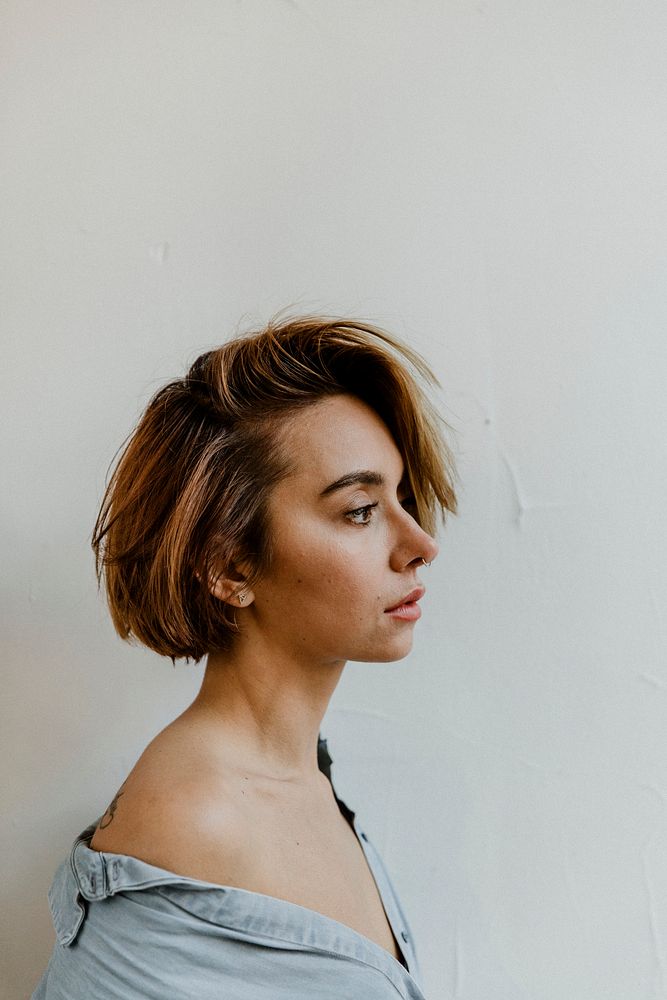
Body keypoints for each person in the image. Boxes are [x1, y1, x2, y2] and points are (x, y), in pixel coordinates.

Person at [32, 315, 458, 1000]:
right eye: (358, 510)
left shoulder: (307, 777)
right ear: (230, 568)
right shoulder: (195, 816)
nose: (418, 543)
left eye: (401, 497)